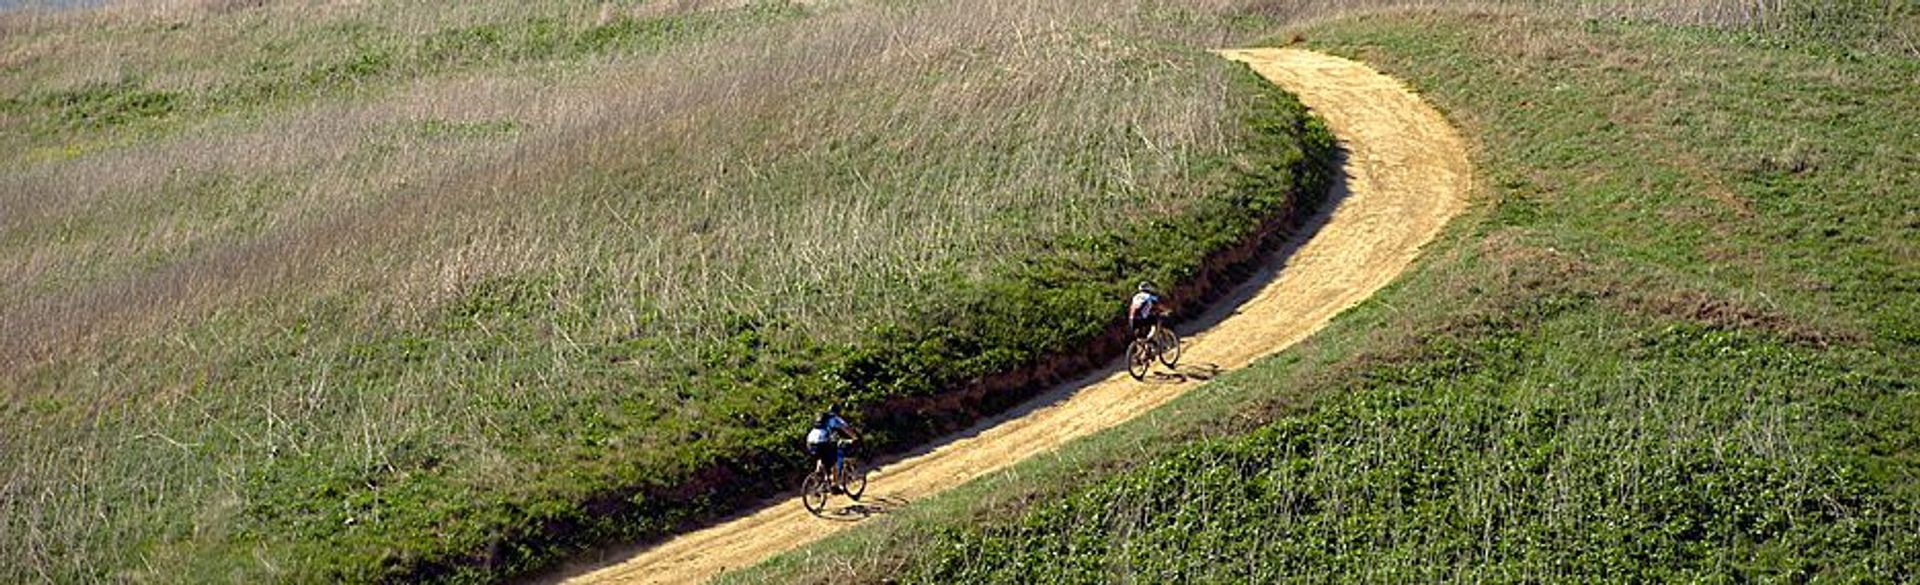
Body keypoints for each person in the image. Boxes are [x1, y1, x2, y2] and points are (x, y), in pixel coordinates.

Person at [806, 404, 860, 493]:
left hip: (810, 441)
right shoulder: (835, 419)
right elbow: (846, 429)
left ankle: (818, 478)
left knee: (820, 457)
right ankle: (835, 486)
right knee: (834, 462)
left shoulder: (821, 418)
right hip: (822, 442)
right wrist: (854, 437)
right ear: (838, 412)